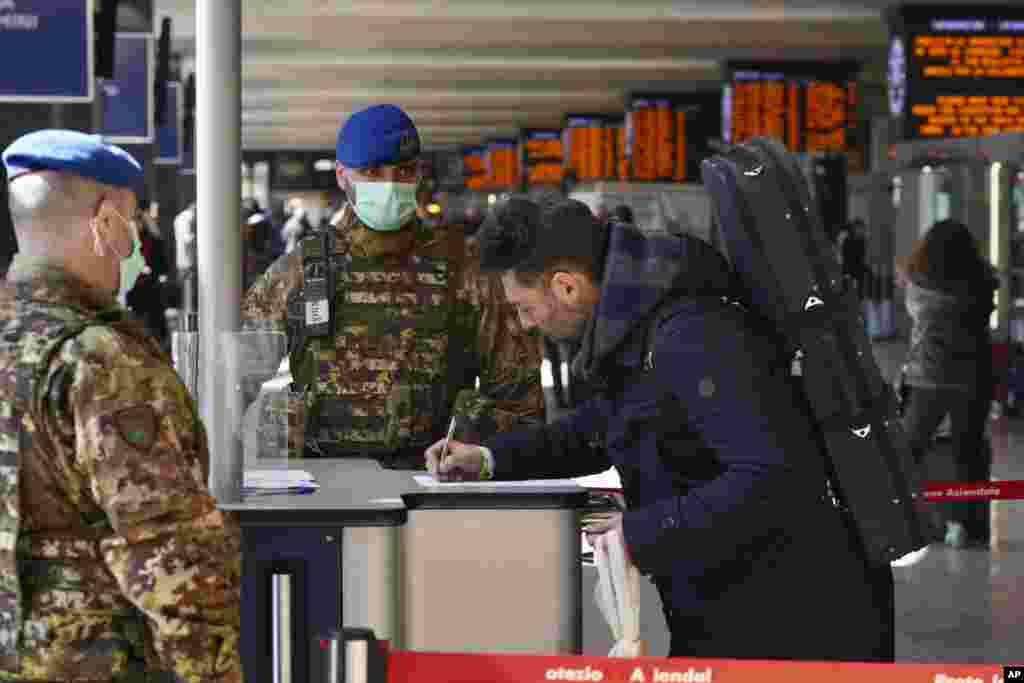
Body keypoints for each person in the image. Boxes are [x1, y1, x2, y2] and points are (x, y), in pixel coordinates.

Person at [426, 197, 895, 661]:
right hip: (733, 603)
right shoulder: (638, 323)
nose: (527, 325)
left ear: (566, 287)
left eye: (525, 308)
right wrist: (488, 458)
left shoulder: (691, 333)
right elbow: (596, 429)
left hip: (800, 625)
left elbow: (773, 478)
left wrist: (639, 533)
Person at [0, 130, 242, 681]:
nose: (137, 241)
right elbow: (171, 558)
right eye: (133, 221)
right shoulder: (98, 360)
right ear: (106, 224)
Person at [241, 104, 543, 464]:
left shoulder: (466, 268)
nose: (388, 184)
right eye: (371, 172)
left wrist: (480, 454)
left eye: (403, 171)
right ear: (342, 176)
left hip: (433, 485)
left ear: (418, 174)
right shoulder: (303, 270)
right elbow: (232, 381)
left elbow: (520, 402)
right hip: (322, 485)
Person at [897, 218, 998, 548]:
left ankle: (906, 517)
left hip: (930, 378)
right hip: (974, 378)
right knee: (968, 451)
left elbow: (916, 314)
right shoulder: (982, 285)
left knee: (909, 448)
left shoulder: (919, 286)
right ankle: (966, 525)